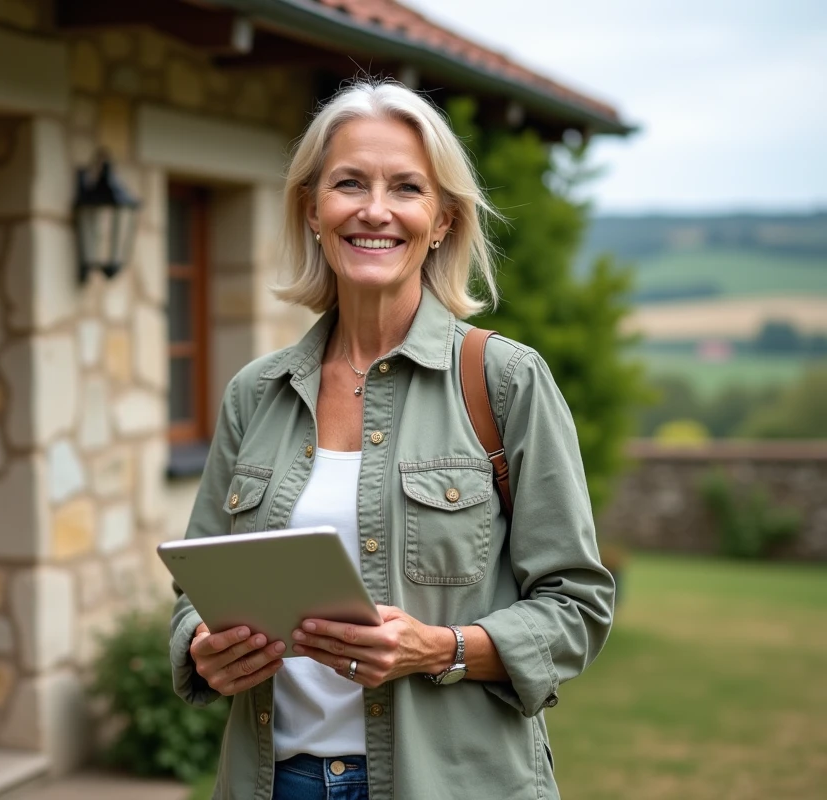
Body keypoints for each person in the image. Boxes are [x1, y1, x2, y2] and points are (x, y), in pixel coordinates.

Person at [168, 79, 615, 800]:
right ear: (313, 209)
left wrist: (439, 649)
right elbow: (196, 587)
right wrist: (201, 649)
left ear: (441, 220)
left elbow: (579, 605)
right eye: (350, 183)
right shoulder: (257, 392)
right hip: (275, 783)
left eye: (406, 188)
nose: (375, 210)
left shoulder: (504, 381)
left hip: (452, 781)